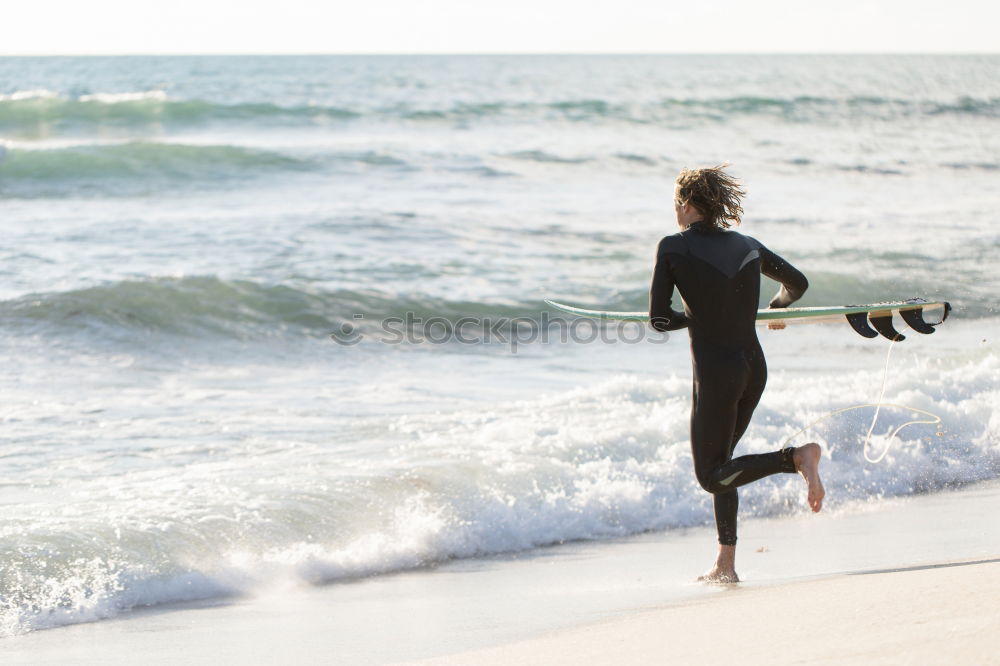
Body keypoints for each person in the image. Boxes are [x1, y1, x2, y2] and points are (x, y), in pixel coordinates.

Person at [649, 164, 824, 583]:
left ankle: (796, 458)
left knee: (711, 475)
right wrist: (775, 309)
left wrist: (693, 317)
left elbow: (658, 319)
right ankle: (725, 565)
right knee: (725, 464)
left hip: (717, 375)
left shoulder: (673, 248)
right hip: (753, 369)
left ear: (687, 205)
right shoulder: (748, 244)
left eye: (676, 204)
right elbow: (796, 283)